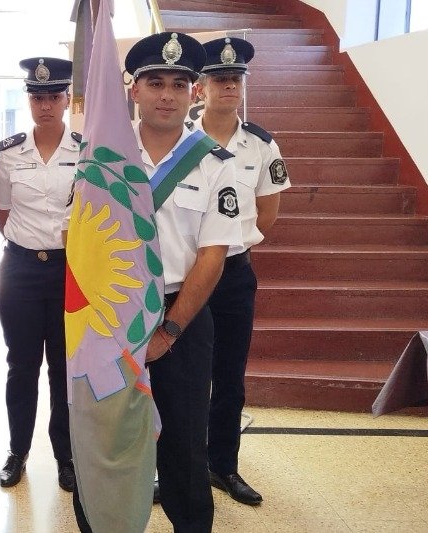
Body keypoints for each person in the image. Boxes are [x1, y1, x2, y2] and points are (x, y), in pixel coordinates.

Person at [127, 32, 242, 532]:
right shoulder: (102, 158)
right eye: (155, 82)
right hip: (111, 317)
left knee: (184, 447)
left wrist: (169, 330)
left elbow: (213, 256)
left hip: (184, 319)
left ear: (195, 92)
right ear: (135, 89)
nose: (167, 95)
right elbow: (78, 239)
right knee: (110, 441)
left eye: (179, 84)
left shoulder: (215, 164)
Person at [194, 37, 289, 506]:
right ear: (201, 87)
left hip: (233, 275)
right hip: (186, 274)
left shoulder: (262, 145)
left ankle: (223, 465)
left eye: (235, 79)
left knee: (229, 376)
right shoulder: (180, 141)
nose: (229, 86)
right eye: (219, 79)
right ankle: (175, 465)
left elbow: (266, 216)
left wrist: (230, 244)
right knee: (180, 375)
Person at [0, 57, 79, 492]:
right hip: (20, 270)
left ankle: (66, 455)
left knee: (64, 368)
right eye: (37, 97)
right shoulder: (10, 152)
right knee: (21, 365)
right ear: (29, 101)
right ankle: (17, 452)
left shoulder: (85, 151)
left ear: (66, 100)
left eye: (53, 97)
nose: (45, 105)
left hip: (69, 270)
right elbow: (1, 212)